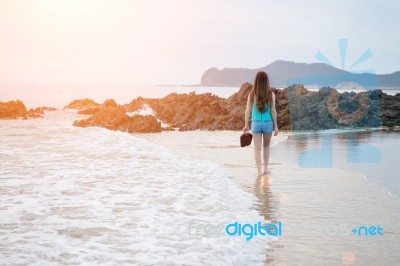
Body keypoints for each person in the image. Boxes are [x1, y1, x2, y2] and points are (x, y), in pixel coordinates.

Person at [243, 71, 278, 176]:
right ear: (267, 81)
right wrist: (275, 125)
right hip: (268, 124)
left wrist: (246, 125)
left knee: (257, 148)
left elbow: (247, 111)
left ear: (256, 81)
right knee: (266, 147)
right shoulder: (271, 94)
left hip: (256, 124)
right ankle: (265, 169)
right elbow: (273, 111)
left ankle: (259, 171)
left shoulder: (252, 94)